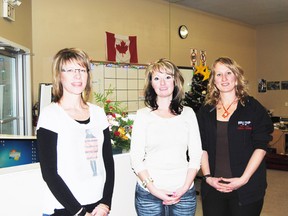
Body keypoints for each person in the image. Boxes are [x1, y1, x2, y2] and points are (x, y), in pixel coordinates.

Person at [36, 48, 114, 216]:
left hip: (98, 205)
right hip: (64, 208)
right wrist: (79, 212)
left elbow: (108, 162)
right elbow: (49, 173)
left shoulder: (98, 113)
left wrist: (106, 203)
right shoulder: (50, 115)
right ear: (59, 76)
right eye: (70, 70)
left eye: (82, 70)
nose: (77, 76)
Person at [197, 57, 274, 216]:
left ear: (236, 77)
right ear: (213, 80)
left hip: (247, 187)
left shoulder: (252, 108)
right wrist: (208, 177)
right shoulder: (206, 111)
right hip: (213, 188)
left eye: (228, 73)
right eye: (218, 74)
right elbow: (201, 146)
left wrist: (243, 179)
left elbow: (261, 146)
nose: (224, 79)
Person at [130, 58, 202, 216]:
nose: (162, 83)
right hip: (149, 193)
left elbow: (196, 155)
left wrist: (184, 187)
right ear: (151, 84)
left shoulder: (188, 114)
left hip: (184, 191)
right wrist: (153, 189)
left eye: (168, 77)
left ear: (176, 81)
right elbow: (136, 158)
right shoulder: (143, 115)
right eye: (157, 78)